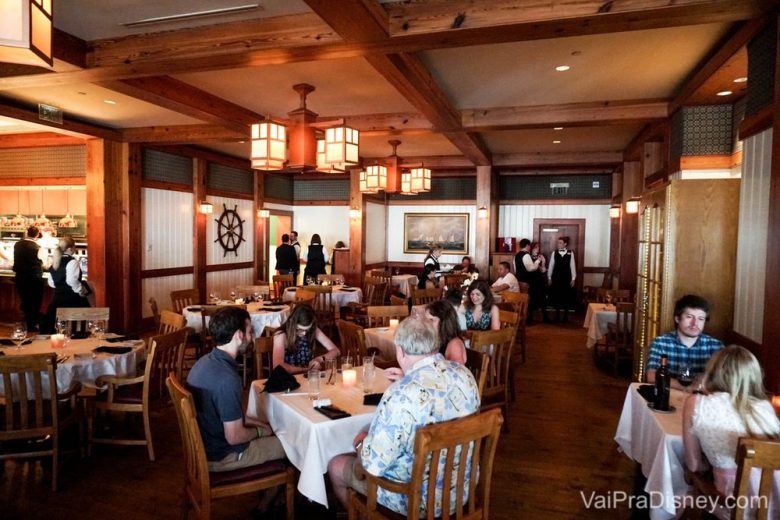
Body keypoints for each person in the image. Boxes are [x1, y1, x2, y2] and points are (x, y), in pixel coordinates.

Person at [327, 315, 480, 516]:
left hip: (414, 500)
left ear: (400, 350)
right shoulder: (465, 375)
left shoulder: (401, 393)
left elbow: (373, 465)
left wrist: (360, 444)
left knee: (336, 465)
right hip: (461, 489)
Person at [186, 307, 286, 514]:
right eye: (250, 332)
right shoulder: (227, 379)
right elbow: (234, 436)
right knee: (291, 445)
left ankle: (267, 494)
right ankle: (264, 508)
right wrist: (261, 431)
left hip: (203, 447)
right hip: (222, 456)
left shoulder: (203, 363)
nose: (252, 337)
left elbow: (231, 416)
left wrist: (264, 427)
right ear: (238, 335)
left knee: (273, 432)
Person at [683, 345, 780, 520]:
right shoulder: (765, 407)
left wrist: (708, 463)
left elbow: (694, 465)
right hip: (774, 501)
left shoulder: (696, 403)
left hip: (732, 503)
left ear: (714, 372)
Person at [646, 294, 724, 390]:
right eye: (689, 317)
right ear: (677, 318)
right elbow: (651, 376)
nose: (694, 323)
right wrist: (687, 388)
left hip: (702, 399)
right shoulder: (660, 343)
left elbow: (725, 380)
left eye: (701, 319)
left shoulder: (716, 346)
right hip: (669, 397)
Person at [41, 236, 90, 334]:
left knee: (56, 329)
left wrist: (61, 286)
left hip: (57, 299)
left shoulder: (55, 262)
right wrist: (81, 290)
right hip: (72, 299)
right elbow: (71, 280)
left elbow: (51, 283)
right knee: (76, 329)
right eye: (74, 247)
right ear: (70, 248)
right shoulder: (72, 261)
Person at [272, 304, 339, 375]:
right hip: (288, 379)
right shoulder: (281, 334)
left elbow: (336, 351)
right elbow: (277, 367)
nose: (304, 333)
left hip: (307, 376)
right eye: (299, 329)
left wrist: (319, 359)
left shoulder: (313, 329)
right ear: (292, 322)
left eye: (307, 330)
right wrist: (305, 369)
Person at [13, 226, 44, 331]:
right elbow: (43, 262)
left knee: (25, 300)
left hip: (20, 277)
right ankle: (32, 325)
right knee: (34, 302)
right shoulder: (38, 247)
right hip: (34, 277)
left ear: (27, 233)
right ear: (37, 234)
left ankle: (26, 323)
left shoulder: (17, 244)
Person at [425, 300, 467, 364]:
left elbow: (457, 372)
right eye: (426, 320)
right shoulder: (436, 339)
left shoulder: (454, 344)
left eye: (432, 320)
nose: (426, 324)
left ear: (444, 321)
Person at [547, 236, 576, 323]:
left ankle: (565, 316)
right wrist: (549, 277)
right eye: (558, 242)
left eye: (560, 242)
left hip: (566, 278)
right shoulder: (554, 253)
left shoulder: (570, 253)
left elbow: (572, 266)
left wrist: (573, 278)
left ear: (565, 244)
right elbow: (551, 266)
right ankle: (557, 315)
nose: (558, 244)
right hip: (556, 277)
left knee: (566, 296)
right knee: (556, 296)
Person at [529, 242, 550, 322]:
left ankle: (545, 316)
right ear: (532, 248)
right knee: (531, 297)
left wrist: (543, 262)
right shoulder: (528, 257)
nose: (537, 249)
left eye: (538, 247)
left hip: (539, 279)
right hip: (531, 279)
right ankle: (530, 317)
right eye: (536, 247)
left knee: (542, 297)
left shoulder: (540, 256)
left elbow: (543, 270)